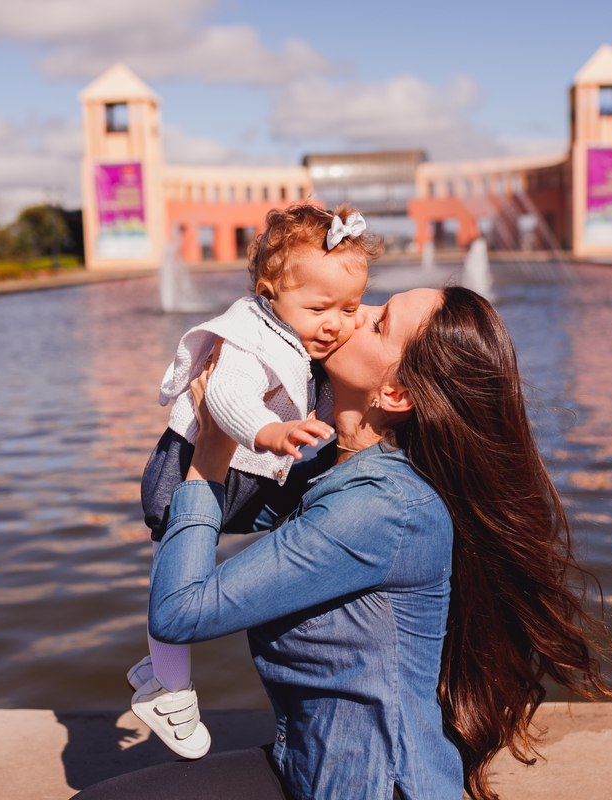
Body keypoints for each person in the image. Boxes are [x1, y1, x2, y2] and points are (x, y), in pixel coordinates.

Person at [77, 285, 612, 800]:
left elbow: (179, 612)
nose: (358, 312)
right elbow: (202, 510)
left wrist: (213, 451)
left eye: (379, 324)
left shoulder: (382, 507)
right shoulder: (335, 464)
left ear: (395, 393)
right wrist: (246, 377)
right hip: (311, 766)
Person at [132, 204, 380, 759]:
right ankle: (169, 689)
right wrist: (269, 431)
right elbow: (225, 395)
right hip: (199, 459)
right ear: (270, 293)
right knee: (172, 564)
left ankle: (159, 672)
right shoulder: (248, 336)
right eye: (319, 308)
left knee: (284, 515)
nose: (336, 323)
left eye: (351, 308)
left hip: (251, 472)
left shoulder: (300, 329)